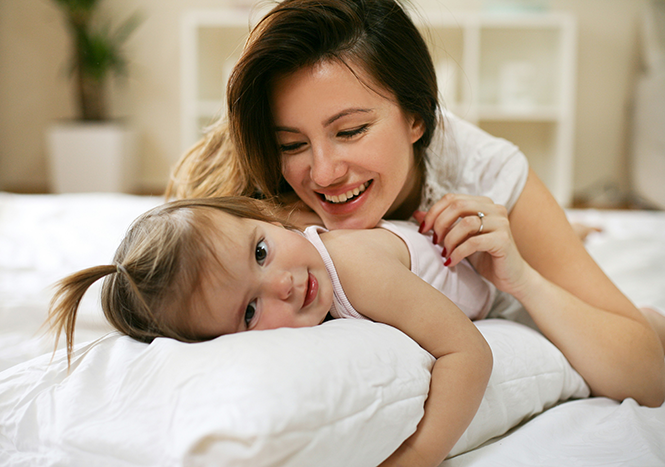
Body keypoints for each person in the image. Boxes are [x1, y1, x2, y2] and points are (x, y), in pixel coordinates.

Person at [166, 0, 665, 409]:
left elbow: (648, 375)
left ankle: (568, 232)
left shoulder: (485, 172)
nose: (322, 173)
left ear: (416, 117)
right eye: (293, 144)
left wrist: (521, 277)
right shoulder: (252, 192)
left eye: (351, 131)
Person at [48, 196, 493, 467]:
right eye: (249, 312)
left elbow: (468, 354)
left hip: (485, 263)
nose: (284, 283)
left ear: (265, 218)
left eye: (261, 251)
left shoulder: (356, 269)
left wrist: (415, 458)